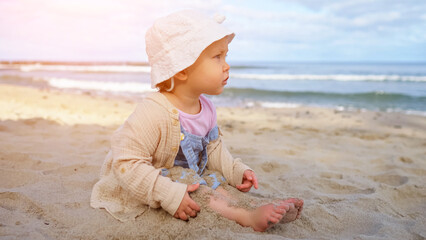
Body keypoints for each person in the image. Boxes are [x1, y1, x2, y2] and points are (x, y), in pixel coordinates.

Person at [90, 9, 303, 232]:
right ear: (182, 69)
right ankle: (245, 216)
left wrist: (236, 170)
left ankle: (252, 205)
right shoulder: (153, 111)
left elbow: (213, 149)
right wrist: (167, 193)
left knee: (217, 183)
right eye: (217, 57)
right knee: (198, 190)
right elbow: (126, 163)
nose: (227, 65)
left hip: (187, 173)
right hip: (152, 179)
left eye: (226, 56)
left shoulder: (207, 108)